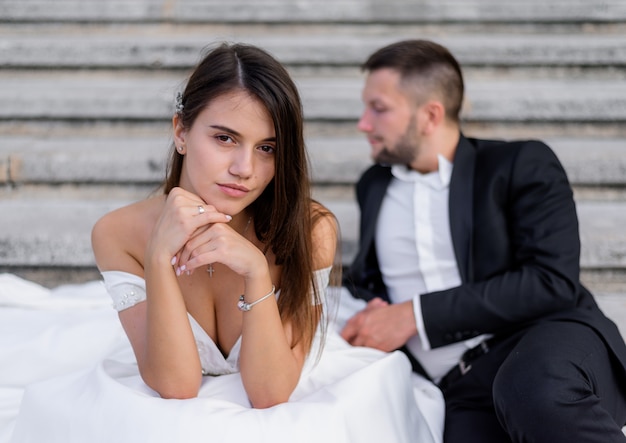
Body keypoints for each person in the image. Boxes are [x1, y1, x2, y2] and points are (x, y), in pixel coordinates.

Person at [5, 42, 442, 443]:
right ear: (181, 132)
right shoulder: (119, 233)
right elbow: (175, 386)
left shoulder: (309, 229)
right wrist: (159, 256)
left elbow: (270, 393)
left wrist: (255, 270)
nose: (244, 168)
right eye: (224, 138)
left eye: (267, 147)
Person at [340, 39, 626, 442]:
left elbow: (551, 281)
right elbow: (366, 279)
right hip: (460, 384)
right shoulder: (373, 186)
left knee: (532, 389)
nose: (363, 124)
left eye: (379, 108)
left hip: (545, 338)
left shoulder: (520, 164)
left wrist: (414, 315)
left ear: (430, 115)